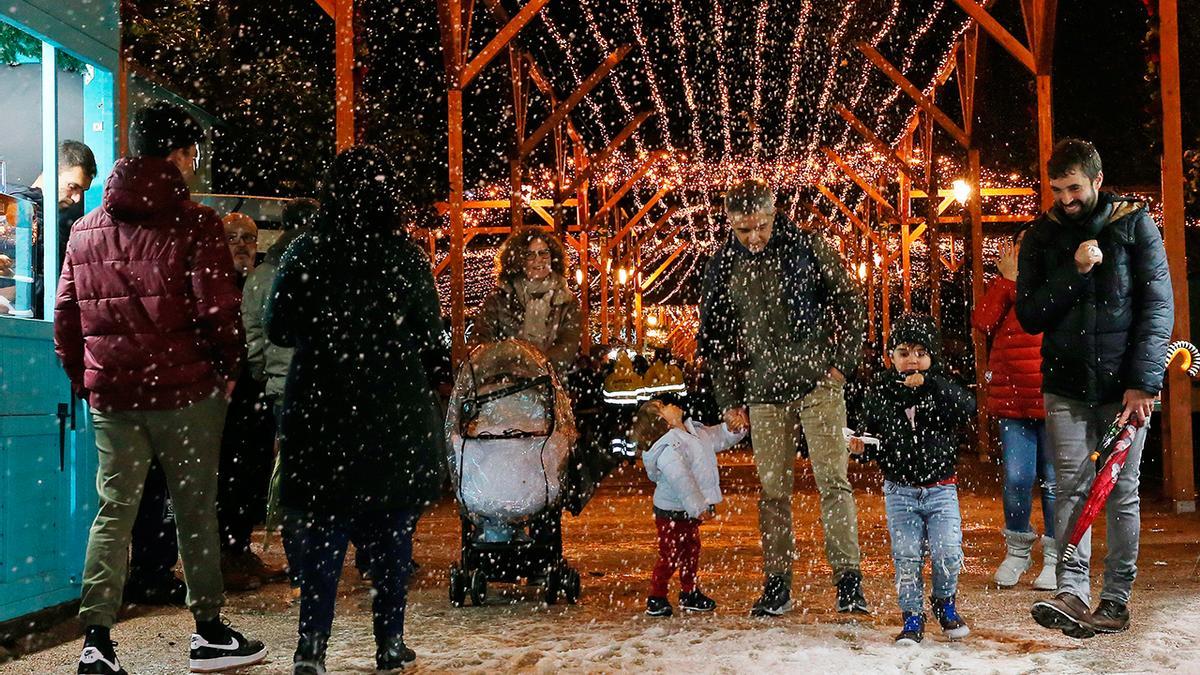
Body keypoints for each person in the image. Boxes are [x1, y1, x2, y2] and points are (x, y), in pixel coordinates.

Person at [55, 101, 266, 674]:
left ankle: (96, 642)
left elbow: (67, 320)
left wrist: (88, 381)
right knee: (195, 508)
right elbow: (219, 312)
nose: (193, 168)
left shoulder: (85, 229)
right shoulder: (196, 224)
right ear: (176, 155)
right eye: (192, 156)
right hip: (186, 395)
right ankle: (209, 632)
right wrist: (225, 373)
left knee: (113, 511)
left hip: (114, 401)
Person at [267, 146, 449, 673]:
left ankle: (311, 647)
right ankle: (389, 643)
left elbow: (279, 327)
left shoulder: (305, 252)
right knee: (393, 534)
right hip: (392, 406)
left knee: (324, 534)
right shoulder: (405, 257)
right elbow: (429, 335)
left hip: (323, 405)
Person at [1017, 138, 1173, 638]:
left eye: (1075, 188)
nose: (1066, 199)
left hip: (1125, 390)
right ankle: (1072, 591)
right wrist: (1076, 270)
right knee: (1069, 488)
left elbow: (1157, 309)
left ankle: (1115, 599)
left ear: (1096, 181)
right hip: (1065, 386)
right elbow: (1031, 313)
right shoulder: (1042, 236)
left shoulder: (1134, 224)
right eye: (1058, 190)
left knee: (1122, 491)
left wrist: (1144, 382)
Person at [698, 178, 868, 617]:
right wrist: (728, 400)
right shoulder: (722, 267)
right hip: (763, 392)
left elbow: (850, 299)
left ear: (774, 215)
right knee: (774, 491)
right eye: (743, 230)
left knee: (833, 481)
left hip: (816, 384)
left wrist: (840, 365)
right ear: (730, 225)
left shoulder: (808, 248)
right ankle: (778, 583)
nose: (753, 237)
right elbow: (716, 340)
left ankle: (849, 582)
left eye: (759, 226)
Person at [850, 314, 976, 645]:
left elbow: (968, 407)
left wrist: (932, 383)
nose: (912, 359)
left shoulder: (943, 386)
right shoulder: (879, 392)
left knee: (948, 550)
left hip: (941, 488)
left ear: (932, 356)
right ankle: (912, 617)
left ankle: (945, 602)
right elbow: (870, 438)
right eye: (903, 352)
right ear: (891, 358)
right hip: (899, 491)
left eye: (920, 352)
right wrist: (861, 448)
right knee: (906, 555)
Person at [972, 225, 1057, 590]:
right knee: (1017, 479)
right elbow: (982, 322)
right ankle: (1018, 549)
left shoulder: (1060, 281)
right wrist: (1005, 282)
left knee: (1055, 483)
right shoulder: (1005, 286)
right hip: (1013, 400)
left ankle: (1057, 556)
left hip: (1054, 399)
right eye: (1021, 244)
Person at [242, 197, 319, 594]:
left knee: (292, 477)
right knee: (329, 475)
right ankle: (323, 558)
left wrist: (265, 373)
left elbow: (254, 335)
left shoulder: (262, 276)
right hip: (320, 387)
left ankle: (301, 562)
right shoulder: (320, 267)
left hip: (281, 389)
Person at [216, 211, 283, 591]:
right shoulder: (217, 284)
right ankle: (227, 554)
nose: (242, 245)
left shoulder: (259, 283)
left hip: (254, 387)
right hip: (228, 390)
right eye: (233, 237)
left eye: (248, 238)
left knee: (252, 470)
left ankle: (239, 548)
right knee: (230, 472)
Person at [630, 399, 745, 617]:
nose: (670, 404)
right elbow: (682, 481)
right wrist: (698, 507)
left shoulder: (694, 432)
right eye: (662, 406)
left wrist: (732, 430)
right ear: (662, 421)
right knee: (670, 554)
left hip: (687, 512)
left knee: (691, 551)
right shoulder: (669, 448)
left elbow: (717, 437)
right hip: (671, 511)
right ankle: (657, 595)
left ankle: (689, 591)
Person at [1, 139, 96, 317]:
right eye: (72, 187)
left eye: (82, 190)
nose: (76, 198)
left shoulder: (60, 222)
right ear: (52, 172)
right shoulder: (15, 211)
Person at [473, 225, 581, 379]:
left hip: (550, 384)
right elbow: (481, 340)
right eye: (530, 255)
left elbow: (568, 346)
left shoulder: (567, 301)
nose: (538, 260)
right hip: (504, 386)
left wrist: (539, 366)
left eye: (544, 253)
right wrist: (505, 363)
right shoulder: (499, 298)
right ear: (519, 260)